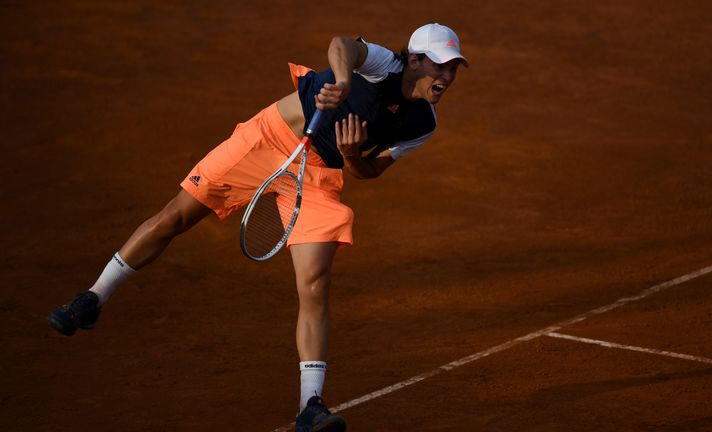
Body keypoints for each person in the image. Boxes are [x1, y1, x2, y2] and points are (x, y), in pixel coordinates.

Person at [47, 23, 468, 432]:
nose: (446, 76)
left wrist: (352, 155)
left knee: (315, 283)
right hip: (268, 139)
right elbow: (343, 43)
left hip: (317, 178)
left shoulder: (423, 124)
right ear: (413, 60)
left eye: (452, 68)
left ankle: (311, 406)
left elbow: (369, 171)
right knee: (175, 217)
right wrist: (341, 82)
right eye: (439, 65)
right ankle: (92, 298)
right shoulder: (383, 66)